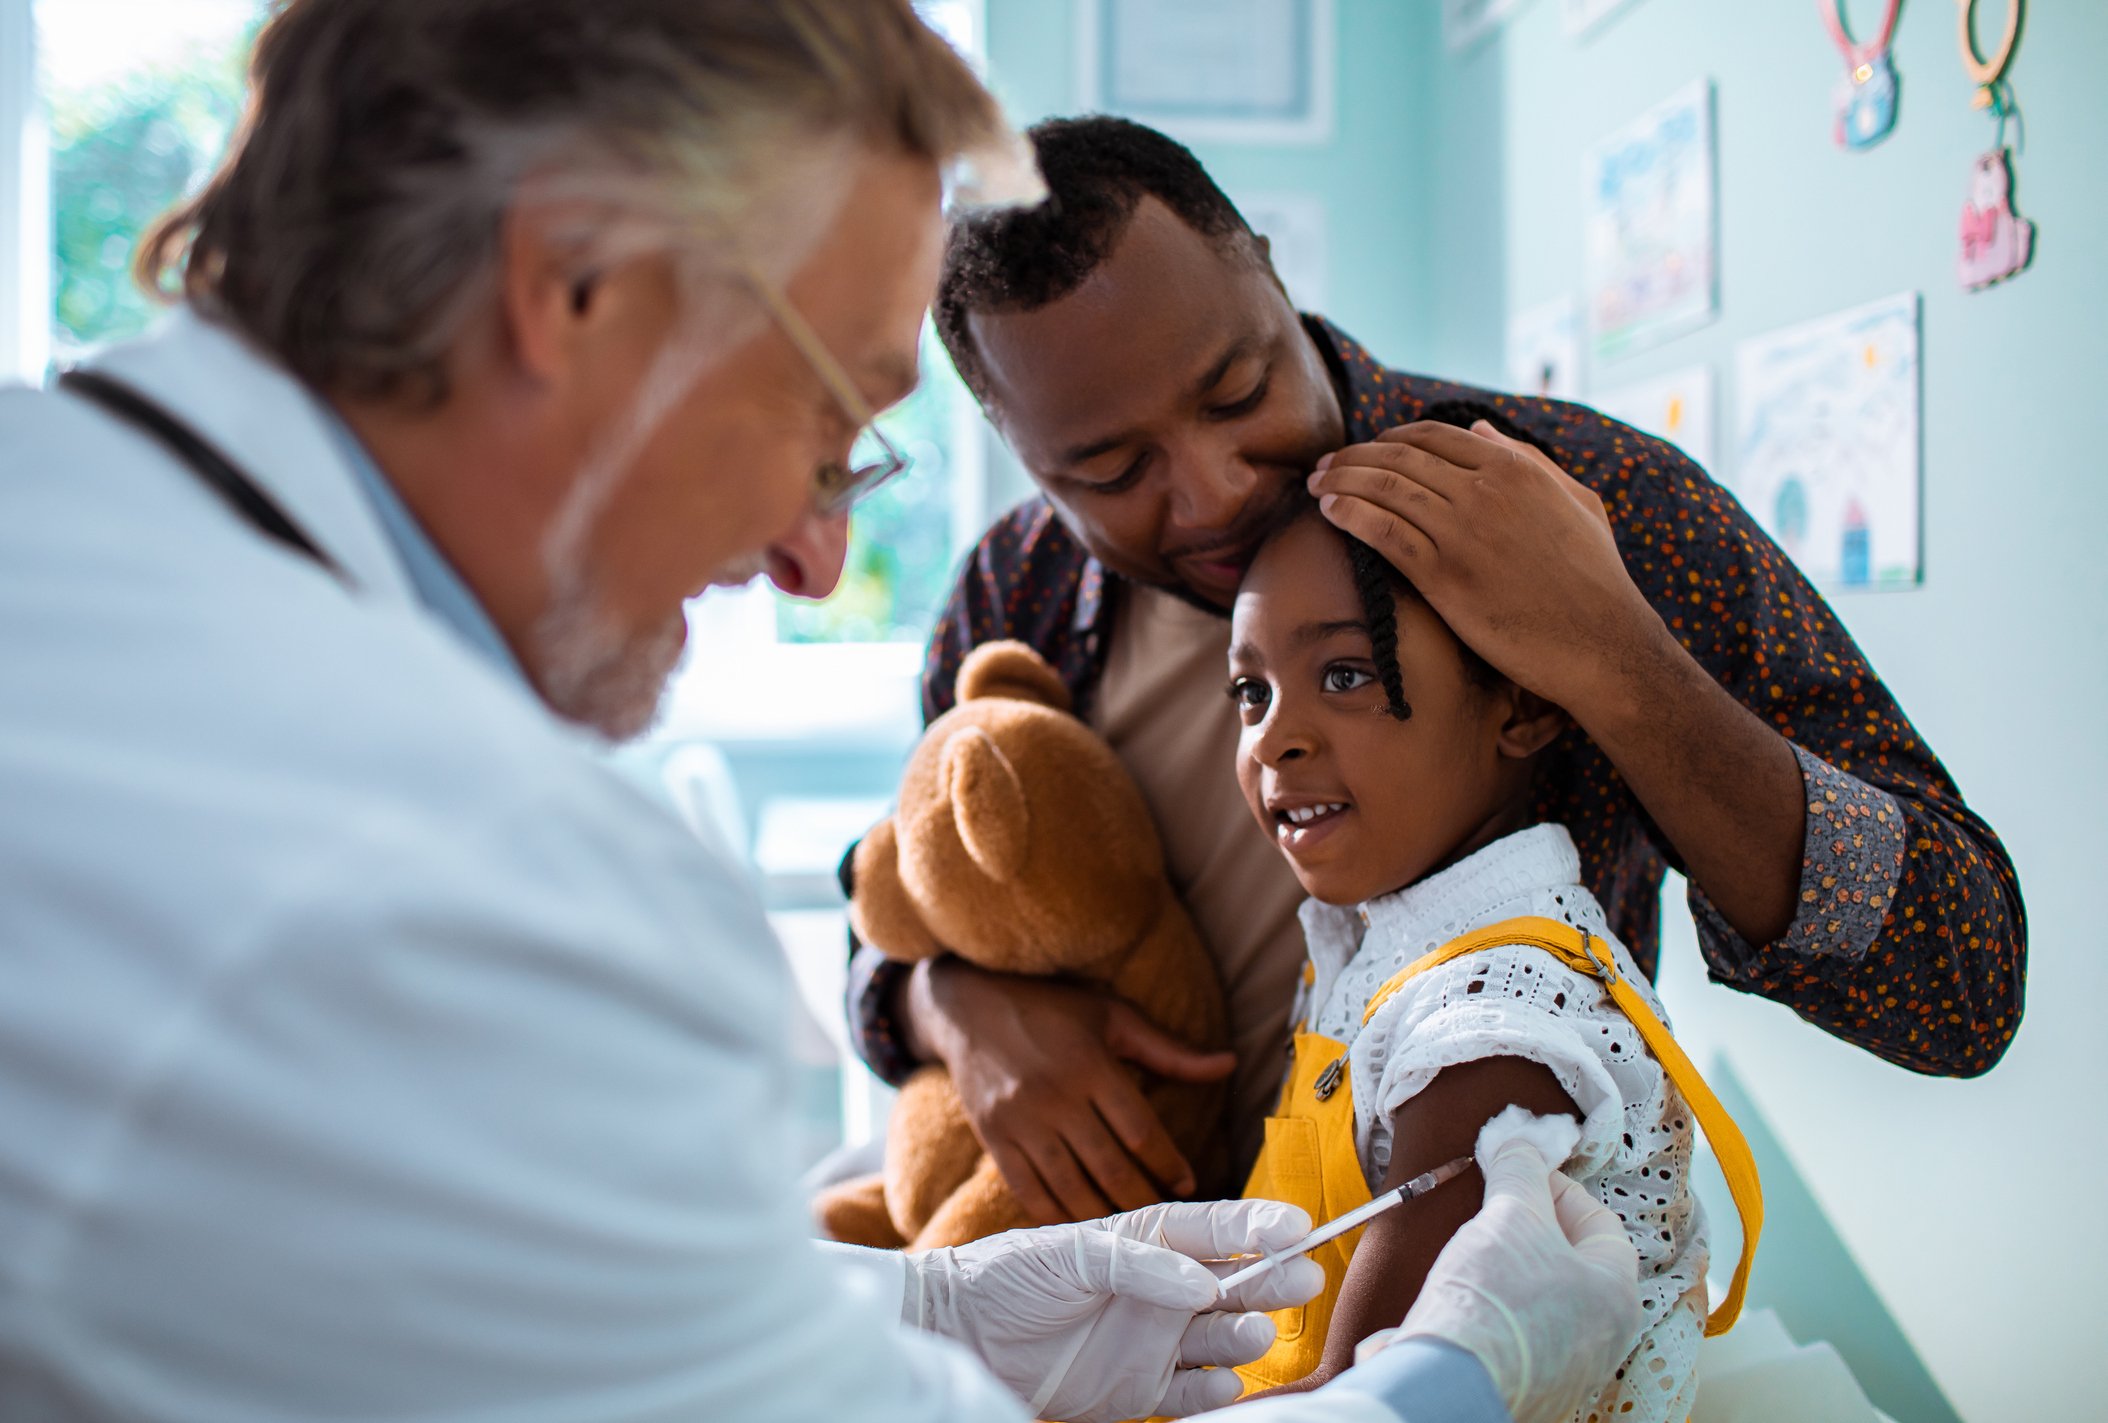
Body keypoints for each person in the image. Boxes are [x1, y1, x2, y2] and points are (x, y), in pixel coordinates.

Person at [0, 3, 1648, 1421]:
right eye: (823, 421)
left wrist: (917, 1316)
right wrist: (1443, 1379)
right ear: (571, 283)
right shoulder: (456, 889)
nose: (812, 554)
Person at [844, 115, 2026, 1219]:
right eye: (1107, 469)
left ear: (1266, 270)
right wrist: (948, 1006)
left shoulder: (1589, 507)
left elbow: (1958, 978)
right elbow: (894, 900)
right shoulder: (1019, 595)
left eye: (1239, 391)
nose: (1211, 490)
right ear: (1012, 445)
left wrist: (1615, 659)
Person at [1220, 491, 1709, 1421]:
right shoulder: (1375, 938)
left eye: (1346, 673)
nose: (1276, 733)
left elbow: (1358, 1396)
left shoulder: (1488, 1031)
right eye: (1252, 689)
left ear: (1519, 704)